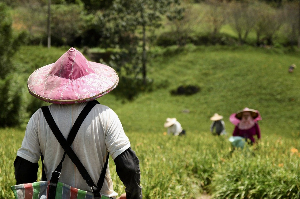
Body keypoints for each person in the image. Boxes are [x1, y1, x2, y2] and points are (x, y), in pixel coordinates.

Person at [13, 48, 142, 199]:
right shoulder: (105, 115)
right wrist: (134, 196)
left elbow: (24, 169)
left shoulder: (39, 118)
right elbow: (129, 167)